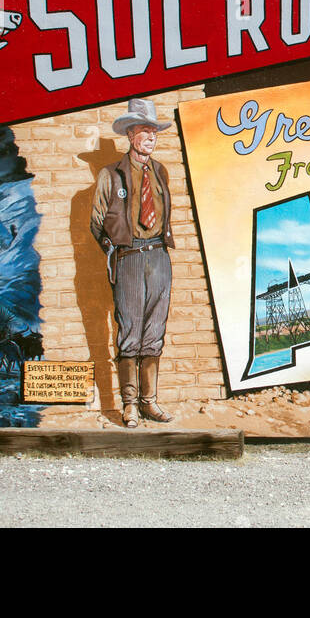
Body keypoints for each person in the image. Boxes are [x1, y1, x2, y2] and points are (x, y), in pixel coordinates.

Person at [90, 98, 176, 428]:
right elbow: (97, 223)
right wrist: (114, 249)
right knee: (129, 333)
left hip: (158, 256)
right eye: (144, 131)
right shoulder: (110, 175)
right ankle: (129, 405)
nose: (150, 138)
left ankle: (149, 402)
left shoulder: (161, 172)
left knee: (154, 332)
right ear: (130, 135)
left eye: (154, 132)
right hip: (128, 258)